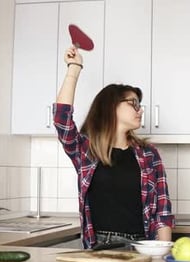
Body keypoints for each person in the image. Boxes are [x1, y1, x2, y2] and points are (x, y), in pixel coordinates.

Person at [54, 46, 174, 249]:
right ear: (111, 106)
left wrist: (162, 254)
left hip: (143, 247)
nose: (140, 110)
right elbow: (61, 119)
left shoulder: (149, 154)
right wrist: (74, 68)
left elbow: (162, 211)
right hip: (101, 246)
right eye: (133, 103)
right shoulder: (86, 150)